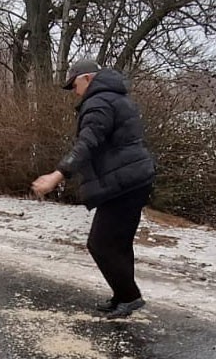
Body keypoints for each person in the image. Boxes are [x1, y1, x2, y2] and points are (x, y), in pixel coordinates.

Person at [31, 59, 156, 319]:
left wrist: (57, 174)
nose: (74, 92)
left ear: (87, 79)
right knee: (118, 243)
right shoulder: (116, 97)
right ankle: (123, 296)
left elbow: (87, 143)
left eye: (74, 85)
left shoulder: (98, 102)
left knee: (100, 244)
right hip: (133, 179)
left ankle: (130, 297)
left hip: (125, 182)